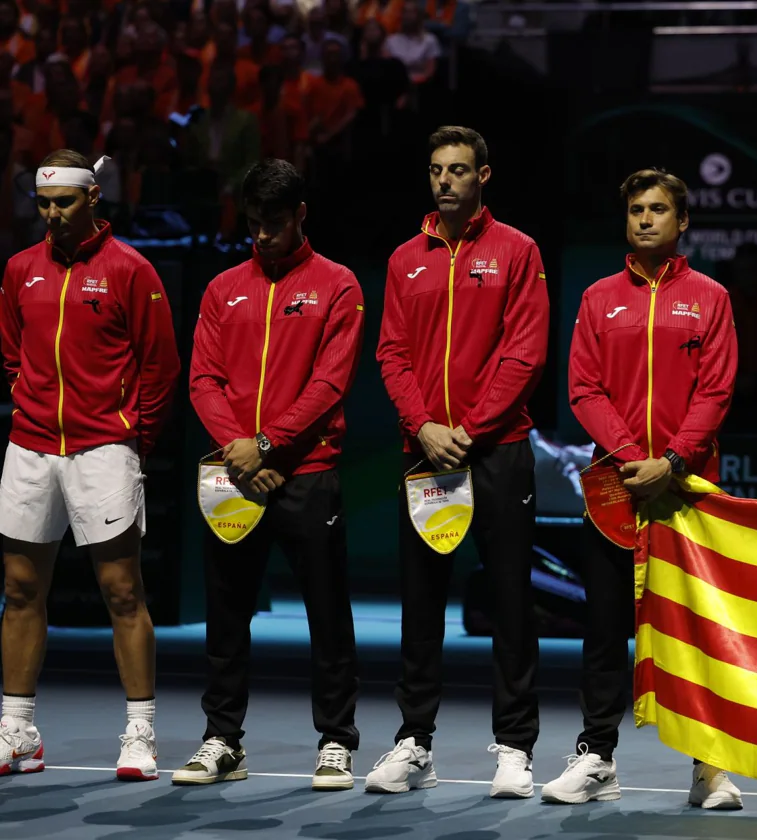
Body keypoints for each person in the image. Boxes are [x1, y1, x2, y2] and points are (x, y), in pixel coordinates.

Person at [544, 168, 740, 808]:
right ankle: (597, 756)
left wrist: (675, 461)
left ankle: (710, 766)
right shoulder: (600, 298)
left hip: (689, 492)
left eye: (658, 209)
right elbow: (583, 388)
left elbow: (717, 389)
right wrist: (636, 459)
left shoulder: (710, 296)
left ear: (682, 222)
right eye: (636, 210)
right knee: (603, 628)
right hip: (616, 488)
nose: (646, 219)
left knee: (699, 629)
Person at [372, 126, 550, 798]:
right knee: (420, 604)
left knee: (510, 603)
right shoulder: (403, 260)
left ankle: (514, 748)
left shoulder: (518, 251)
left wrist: (467, 430)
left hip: (498, 451)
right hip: (425, 456)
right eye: (436, 170)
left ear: (483, 176)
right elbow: (392, 353)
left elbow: (524, 353)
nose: (445, 180)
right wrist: (423, 425)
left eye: (458, 170)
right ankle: (414, 741)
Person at [176, 158, 364, 791]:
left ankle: (336, 740)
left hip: (307, 474)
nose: (262, 235)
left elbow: (331, 382)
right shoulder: (221, 288)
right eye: (254, 223)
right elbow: (203, 378)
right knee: (227, 615)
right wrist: (239, 451)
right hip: (233, 473)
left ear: (301, 215)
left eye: (275, 224)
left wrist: (267, 446)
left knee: (327, 616)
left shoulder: (338, 286)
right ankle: (222, 739)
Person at [0, 150, 180, 780]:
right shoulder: (21, 268)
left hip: (105, 447)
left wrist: (134, 438)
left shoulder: (131, 269)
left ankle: (140, 734)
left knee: (123, 592)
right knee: (21, 589)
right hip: (28, 447)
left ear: (93, 196)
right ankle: (17, 731)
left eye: (64, 203)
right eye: (44, 204)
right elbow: (10, 353)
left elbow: (160, 367)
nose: (51, 215)